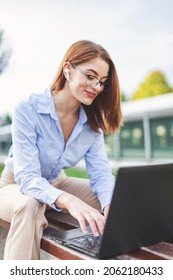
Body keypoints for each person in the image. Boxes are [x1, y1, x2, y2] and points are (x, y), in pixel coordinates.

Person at [0, 40, 123, 259]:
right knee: (30, 204)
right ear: (68, 69)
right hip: (16, 185)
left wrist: (110, 204)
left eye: (102, 81)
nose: (96, 86)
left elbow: (102, 175)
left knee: (120, 201)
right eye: (90, 76)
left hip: (57, 181)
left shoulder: (92, 124)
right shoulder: (28, 108)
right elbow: (28, 177)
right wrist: (68, 200)